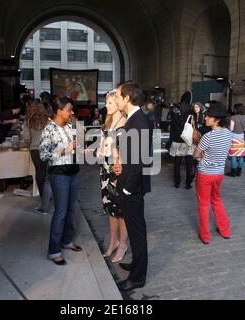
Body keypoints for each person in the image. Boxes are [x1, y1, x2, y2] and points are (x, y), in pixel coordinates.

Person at [113, 82, 151, 291]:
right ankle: (136, 264)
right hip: (129, 183)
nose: (117, 99)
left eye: (118, 96)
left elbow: (141, 161)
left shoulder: (140, 122)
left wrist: (127, 188)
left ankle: (138, 277)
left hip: (133, 188)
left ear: (127, 98)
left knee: (137, 232)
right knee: (135, 229)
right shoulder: (133, 119)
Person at [40, 97, 82, 266]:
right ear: (58, 110)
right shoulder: (48, 129)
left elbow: (74, 147)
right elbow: (43, 155)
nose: (71, 112)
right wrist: (64, 150)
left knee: (71, 210)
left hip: (74, 172)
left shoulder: (70, 126)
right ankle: (54, 250)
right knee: (61, 212)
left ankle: (67, 240)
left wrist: (79, 148)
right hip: (59, 175)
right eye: (68, 110)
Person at [96, 90, 129, 263]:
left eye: (110, 103)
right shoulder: (109, 122)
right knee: (110, 209)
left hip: (117, 171)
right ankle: (112, 241)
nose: (107, 106)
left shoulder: (124, 123)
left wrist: (119, 169)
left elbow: (124, 152)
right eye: (106, 102)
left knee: (121, 210)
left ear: (118, 103)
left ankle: (122, 244)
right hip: (105, 169)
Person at [193, 103, 233, 245]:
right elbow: (226, 152)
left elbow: (196, 154)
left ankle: (205, 235)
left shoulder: (208, 137)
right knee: (216, 200)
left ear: (216, 120)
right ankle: (225, 230)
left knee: (203, 204)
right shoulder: (229, 134)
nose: (205, 118)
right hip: (219, 173)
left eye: (208, 116)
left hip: (205, 174)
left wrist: (201, 154)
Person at [24, 101, 53, 215]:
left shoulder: (28, 121)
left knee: (39, 172)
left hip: (35, 149)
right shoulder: (48, 120)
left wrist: (30, 142)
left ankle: (42, 195)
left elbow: (26, 137)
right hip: (46, 148)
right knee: (47, 174)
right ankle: (48, 196)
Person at [168, 95, 195, 190]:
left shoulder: (175, 114)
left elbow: (172, 130)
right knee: (189, 164)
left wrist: (170, 141)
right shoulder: (191, 115)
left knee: (177, 164)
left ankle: (177, 183)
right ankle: (188, 183)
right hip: (188, 142)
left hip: (177, 141)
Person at [227, 104, 245, 177]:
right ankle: (239, 172)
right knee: (241, 155)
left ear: (236, 109)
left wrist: (228, 126)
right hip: (241, 138)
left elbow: (231, 129)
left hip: (234, 138)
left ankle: (233, 173)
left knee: (234, 155)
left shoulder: (233, 117)